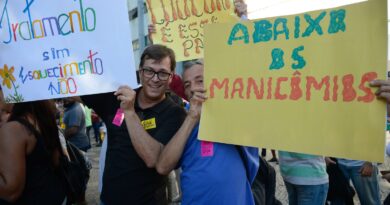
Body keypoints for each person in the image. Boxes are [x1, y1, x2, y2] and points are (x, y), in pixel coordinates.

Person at [81, 44, 186, 205]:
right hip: (109, 200)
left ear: (171, 77)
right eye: (149, 71)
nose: (155, 78)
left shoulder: (175, 114)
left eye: (163, 73)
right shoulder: (119, 95)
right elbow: (74, 90)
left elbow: (153, 159)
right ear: (141, 72)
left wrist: (129, 112)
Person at [155, 60, 259, 205]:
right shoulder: (184, 122)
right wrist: (191, 119)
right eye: (187, 84)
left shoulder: (235, 118)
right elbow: (163, 167)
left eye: (200, 81)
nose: (193, 88)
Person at [0, 100, 66, 204]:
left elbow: (10, 192)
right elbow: (56, 161)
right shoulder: (41, 119)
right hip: (55, 195)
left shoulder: (13, 128)